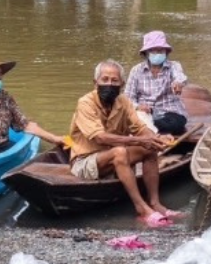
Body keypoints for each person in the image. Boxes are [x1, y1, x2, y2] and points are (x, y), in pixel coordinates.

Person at [69, 59, 179, 228]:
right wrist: (140, 140)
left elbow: (140, 128)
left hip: (115, 159)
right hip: (85, 162)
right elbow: (100, 138)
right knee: (120, 151)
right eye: (104, 79)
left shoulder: (124, 101)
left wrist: (156, 138)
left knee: (149, 148)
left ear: (122, 83)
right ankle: (141, 208)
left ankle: (155, 203)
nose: (109, 84)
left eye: (114, 80)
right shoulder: (85, 103)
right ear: (95, 82)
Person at [125, 30, 189, 135]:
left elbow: (180, 77)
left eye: (160, 51)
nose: (157, 54)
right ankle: (147, 128)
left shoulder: (174, 66)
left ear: (166, 52)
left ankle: (147, 128)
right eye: (153, 51)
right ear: (146, 53)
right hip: (144, 113)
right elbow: (128, 99)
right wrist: (138, 107)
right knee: (133, 119)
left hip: (169, 113)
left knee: (175, 124)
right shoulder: (136, 70)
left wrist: (178, 83)